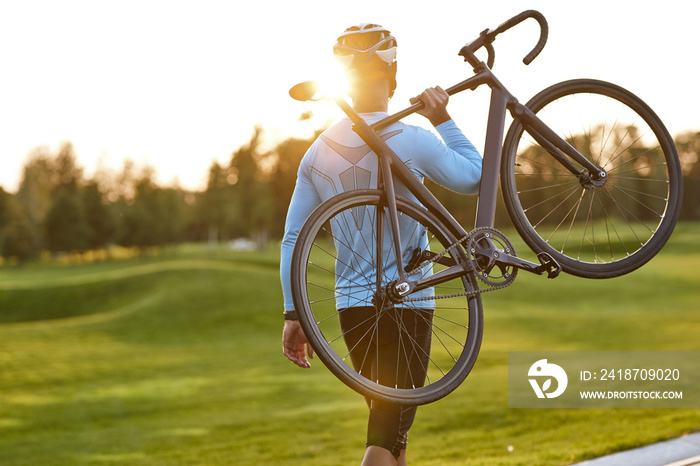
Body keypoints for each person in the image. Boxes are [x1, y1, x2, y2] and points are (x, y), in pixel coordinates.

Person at [280, 23, 482, 466]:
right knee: (384, 436)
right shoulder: (411, 138)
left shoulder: (317, 152)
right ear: (392, 75)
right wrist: (442, 118)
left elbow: (294, 238)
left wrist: (293, 312)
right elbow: (475, 177)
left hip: (352, 309)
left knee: (393, 433)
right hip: (409, 303)